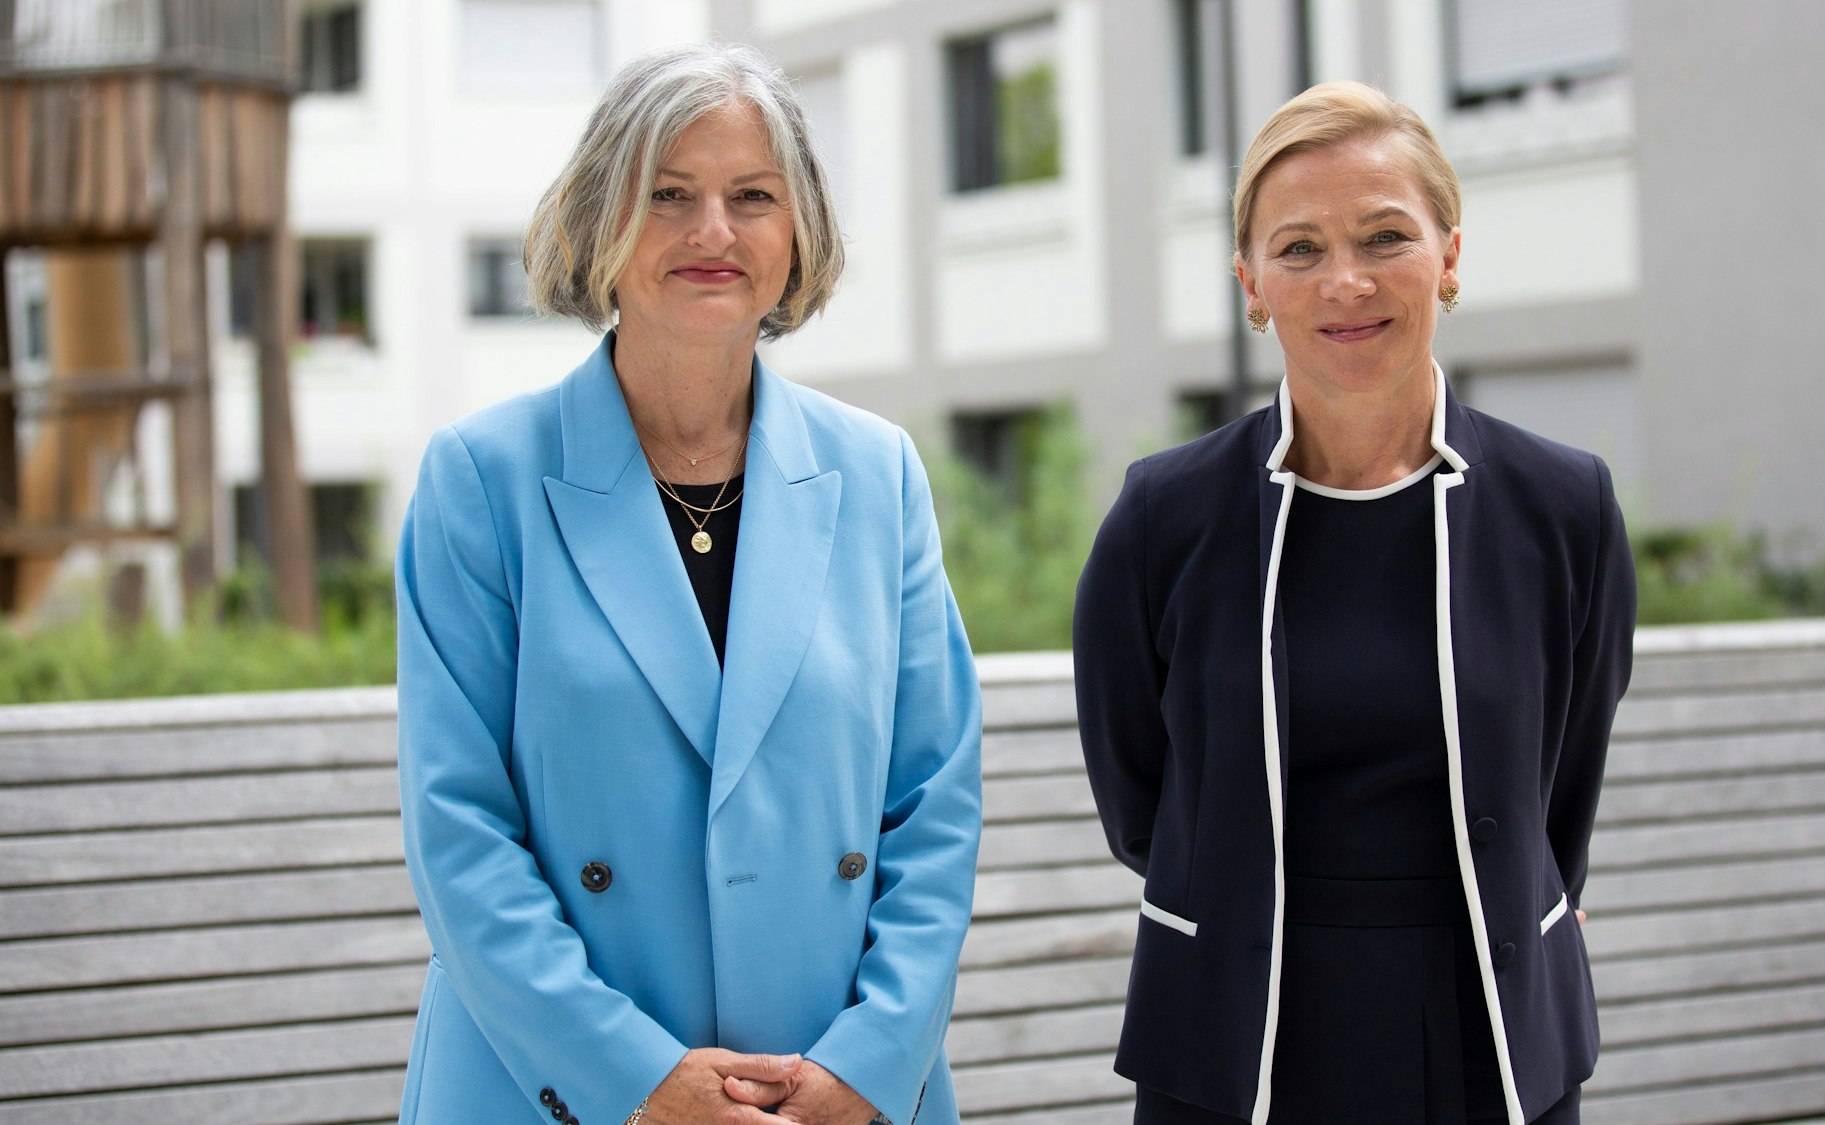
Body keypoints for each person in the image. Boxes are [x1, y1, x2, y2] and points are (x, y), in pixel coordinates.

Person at [394, 43, 981, 1125]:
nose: (713, 231)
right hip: (559, 1086)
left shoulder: (878, 474)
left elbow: (932, 803)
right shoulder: (480, 482)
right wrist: (633, 1080)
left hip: (826, 1086)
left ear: (795, 230)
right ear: (600, 225)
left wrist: (868, 1064)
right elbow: (458, 829)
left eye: (750, 196)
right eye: (668, 195)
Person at [1072, 81, 1636, 1125]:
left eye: (1384, 237)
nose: (1345, 281)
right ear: (1249, 282)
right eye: (1297, 249)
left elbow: (1562, 780)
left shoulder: (1562, 505)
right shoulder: (1164, 516)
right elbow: (1141, 797)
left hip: (1495, 1036)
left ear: (1448, 258)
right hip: (1235, 1037)